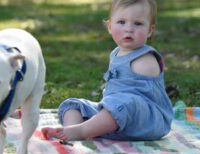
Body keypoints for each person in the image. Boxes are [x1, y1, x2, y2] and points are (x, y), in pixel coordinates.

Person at [42, 0, 173, 141]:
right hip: (115, 116)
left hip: (147, 121)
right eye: (122, 22)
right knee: (75, 105)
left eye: (138, 23)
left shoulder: (146, 59)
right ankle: (72, 129)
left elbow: (135, 98)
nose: (129, 29)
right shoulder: (116, 53)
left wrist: (112, 106)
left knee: (124, 103)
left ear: (150, 31)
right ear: (110, 26)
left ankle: (83, 130)